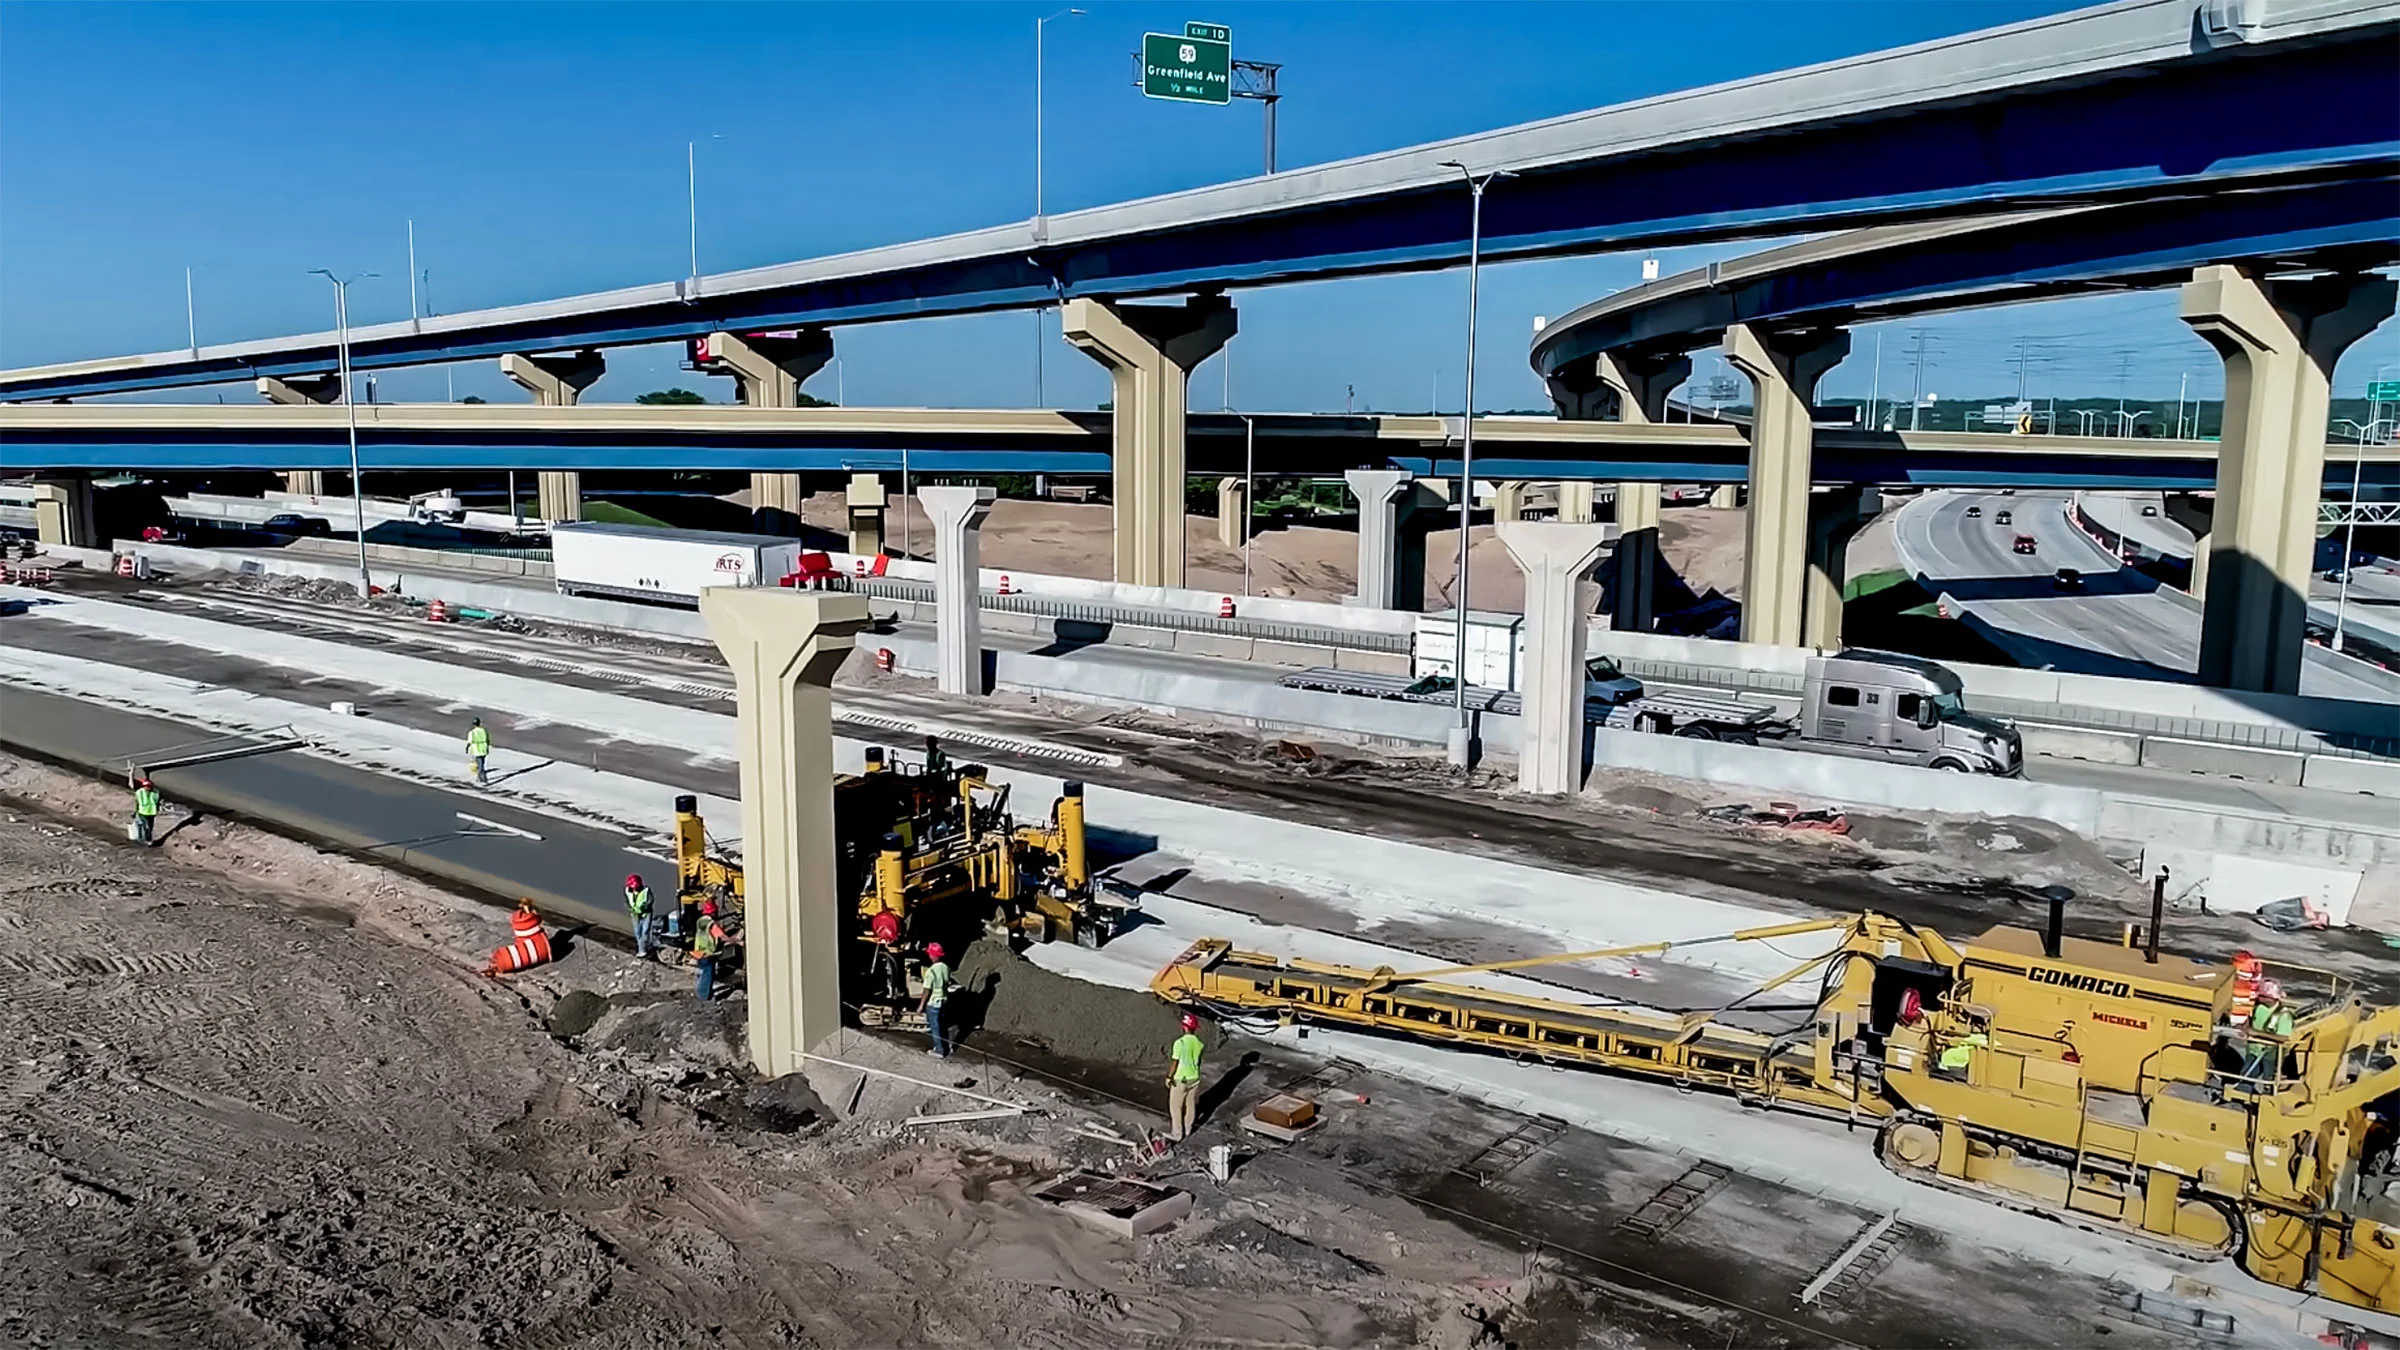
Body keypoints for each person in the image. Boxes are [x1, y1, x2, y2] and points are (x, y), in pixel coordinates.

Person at [2243, 981, 2296, 1085]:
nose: (2259, 998)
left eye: (2262, 996)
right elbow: (2251, 1021)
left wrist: (2257, 1033)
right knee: (2247, 1076)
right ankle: (2242, 1093)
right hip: (2253, 1050)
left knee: (2269, 1082)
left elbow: (2284, 1037)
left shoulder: (2284, 1015)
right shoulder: (2258, 1007)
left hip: (2270, 1055)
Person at [1167, 1013, 1205, 1141]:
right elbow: (1198, 1062)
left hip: (1180, 1079)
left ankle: (1177, 1134)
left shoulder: (1179, 1043)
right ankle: (1188, 1129)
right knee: (1190, 1104)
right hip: (1194, 1077)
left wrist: (1169, 1076)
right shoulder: (1199, 1044)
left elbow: (1175, 1062)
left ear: (1184, 1027)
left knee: (1175, 1107)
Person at [919, 942, 952, 1059]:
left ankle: (939, 1050)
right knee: (942, 1024)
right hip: (944, 1000)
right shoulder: (946, 968)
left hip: (933, 1002)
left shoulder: (931, 972)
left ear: (933, 956)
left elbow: (927, 990)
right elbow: (947, 982)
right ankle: (947, 1046)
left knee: (934, 1026)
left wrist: (921, 1006)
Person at [624, 873, 656, 961]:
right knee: (638, 932)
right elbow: (627, 901)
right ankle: (642, 948)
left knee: (645, 931)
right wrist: (631, 909)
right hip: (635, 914)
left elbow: (650, 900)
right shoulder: (628, 890)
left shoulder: (646, 891)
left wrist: (644, 907)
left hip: (646, 913)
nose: (634, 888)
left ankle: (643, 950)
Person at [691, 918, 720, 1002]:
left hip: (701, 956)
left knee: (704, 973)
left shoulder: (700, 933)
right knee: (707, 974)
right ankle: (704, 996)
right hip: (706, 956)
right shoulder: (708, 934)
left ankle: (705, 993)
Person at [129, 772, 161, 847]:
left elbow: (157, 802)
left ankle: (146, 839)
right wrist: (131, 774)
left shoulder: (155, 793)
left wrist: (158, 809)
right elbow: (131, 785)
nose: (147, 788)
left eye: (149, 786)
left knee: (150, 827)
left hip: (152, 813)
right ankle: (146, 840)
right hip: (142, 813)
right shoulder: (140, 792)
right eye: (146, 786)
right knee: (146, 827)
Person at [466, 717, 492, 786]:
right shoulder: (484, 731)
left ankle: (484, 779)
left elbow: (469, 742)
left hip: (476, 750)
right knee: (482, 763)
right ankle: (479, 778)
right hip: (484, 749)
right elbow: (488, 740)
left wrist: (467, 748)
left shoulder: (472, 732)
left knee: (480, 766)